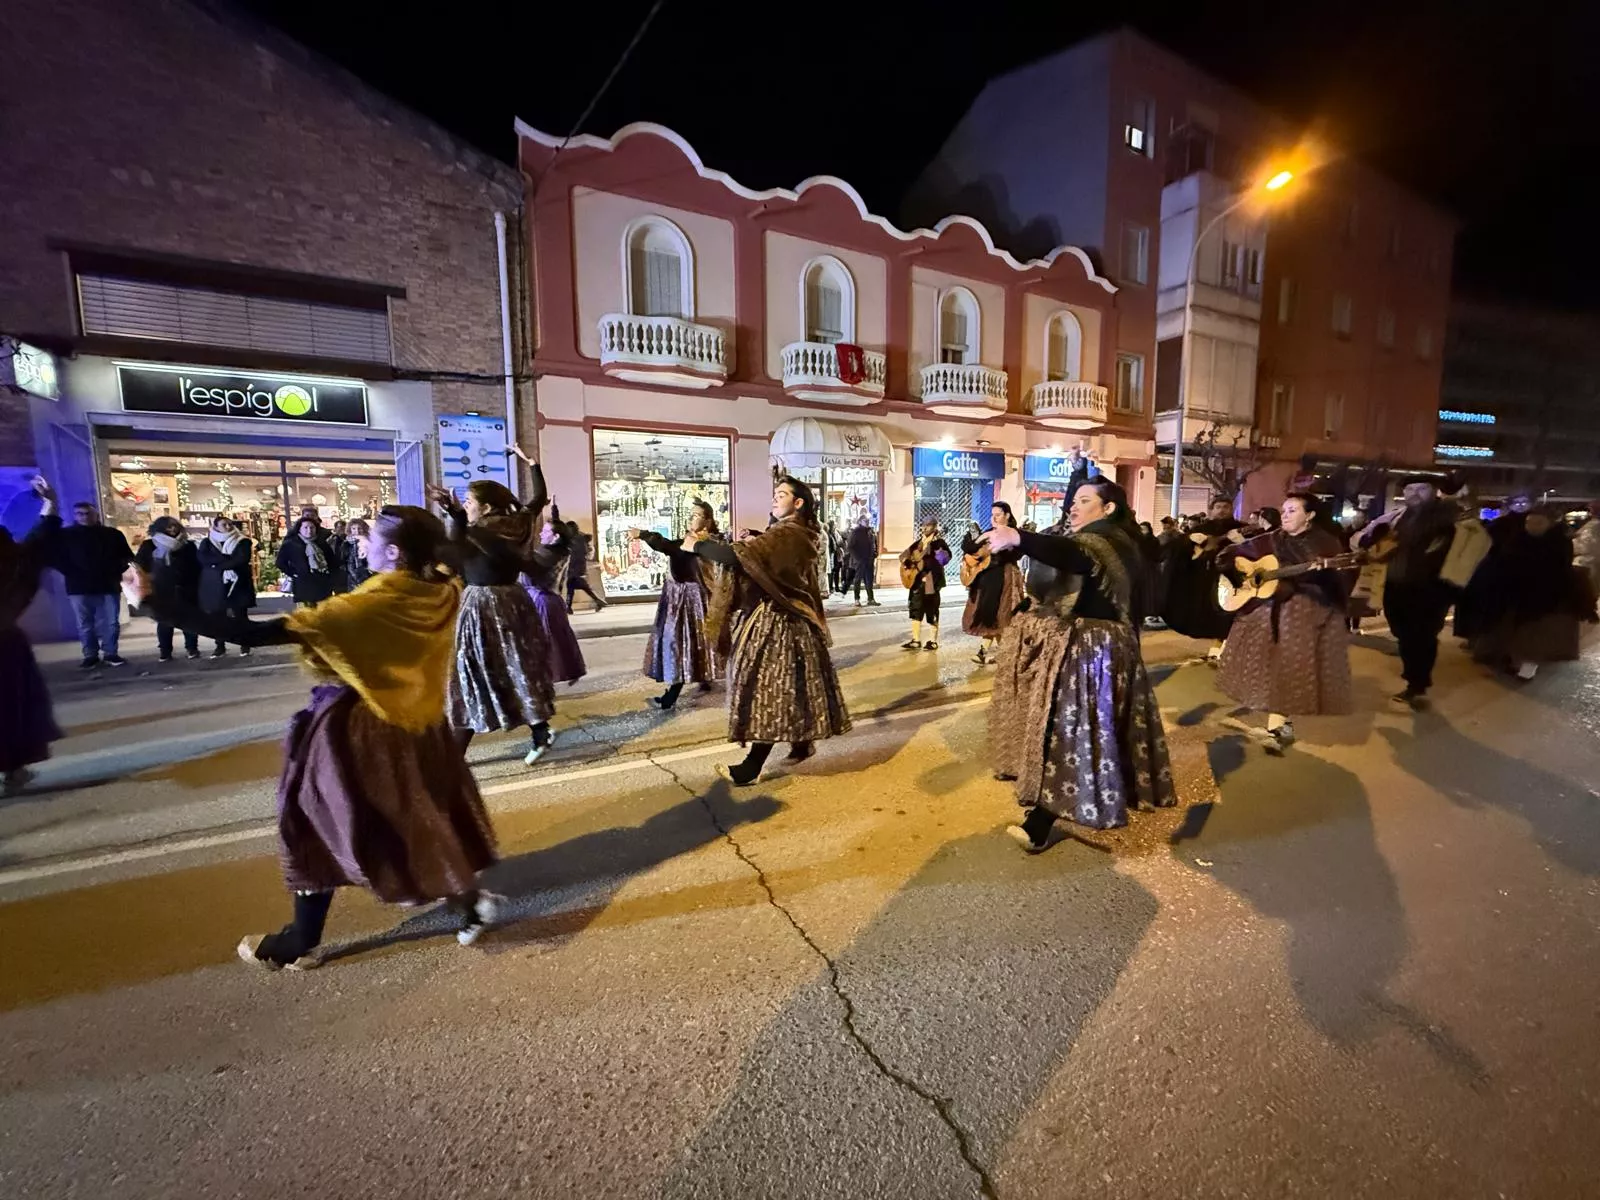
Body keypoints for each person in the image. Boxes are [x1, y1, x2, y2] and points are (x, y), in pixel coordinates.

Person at [141, 505, 500, 969]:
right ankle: (468, 905)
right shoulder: (441, 591)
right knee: (423, 817)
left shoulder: (366, 606)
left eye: (370, 536)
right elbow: (452, 560)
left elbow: (247, 630)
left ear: (392, 552)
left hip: (361, 727)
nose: (361, 541)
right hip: (421, 725)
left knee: (311, 820)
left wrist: (153, 603)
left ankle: (301, 940)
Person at [985, 478, 1175, 849]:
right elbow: (1060, 553)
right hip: (1084, 647)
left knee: (1068, 729)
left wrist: (1019, 537)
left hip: (1095, 651)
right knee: (1084, 730)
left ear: (1108, 509)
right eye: (1073, 500)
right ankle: (1073, 801)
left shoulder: (1112, 543)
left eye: (1084, 501)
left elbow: (1073, 557)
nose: (1073, 506)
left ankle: (1041, 821)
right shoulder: (1087, 537)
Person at [686, 476, 850, 786]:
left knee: (767, 690)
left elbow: (736, 556)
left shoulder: (789, 535)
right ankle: (801, 743)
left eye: (782, 495)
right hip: (783, 620)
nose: (774, 499)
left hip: (780, 623)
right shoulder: (790, 533)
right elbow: (766, 555)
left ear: (798, 503)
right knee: (793, 687)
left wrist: (698, 545)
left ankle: (752, 766)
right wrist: (756, 539)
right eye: (774, 494)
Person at [428, 447, 557, 766]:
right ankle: (540, 730)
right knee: (517, 666)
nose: (467, 506)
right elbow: (539, 498)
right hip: (514, 600)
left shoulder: (476, 533)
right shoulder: (519, 522)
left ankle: (456, 751)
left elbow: (451, 552)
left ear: (484, 507)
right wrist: (533, 464)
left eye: (470, 502)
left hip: (483, 606)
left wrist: (452, 515)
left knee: (472, 670)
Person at [1215, 493, 1353, 753]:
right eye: (1284, 510)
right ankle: (1276, 722)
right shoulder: (1273, 537)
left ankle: (1279, 726)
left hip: (1302, 611)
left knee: (1287, 668)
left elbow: (1337, 583)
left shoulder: (1324, 543)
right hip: (1266, 610)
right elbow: (1227, 556)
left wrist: (1300, 581)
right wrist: (1237, 567)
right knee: (1264, 665)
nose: (1285, 515)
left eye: (1292, 510)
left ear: (1310, 515)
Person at [1354, 476, 1459, 709]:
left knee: (1423, 635)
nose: (1415, 493)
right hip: (1396, 585)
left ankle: (1418, 685)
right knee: (1402, 632)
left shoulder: (1445, 517)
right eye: (1410, 489)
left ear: (1434, 492)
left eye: (1422, 488)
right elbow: (1379, 542)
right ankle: (1414, 676)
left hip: (1429, 589)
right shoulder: (1401, 517)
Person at [1467, 504, 1588, 679]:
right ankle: (1512, 661)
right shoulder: (1519, 539)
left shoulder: (1558, 542)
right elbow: (1505, 561)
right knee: (1512, 631)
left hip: (1544, 597)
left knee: (1534, 635)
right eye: (1529, 522)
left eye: (1538, 522)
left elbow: (1559, 570)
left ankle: (1527, 668)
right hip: (1515, 594)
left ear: (1549, 523)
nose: (1532, 526)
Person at [630, 498, 722, 710]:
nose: (691, 518)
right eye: (690, 514)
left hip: (692, 600)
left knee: (680, 643)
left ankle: (673, 693)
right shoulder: (693, 541)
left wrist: (644, 535)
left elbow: (668, 547)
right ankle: (702, 678)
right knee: (690, 642)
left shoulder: (705, 544)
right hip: (680, 598)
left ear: (707, 521)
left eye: (697, 515)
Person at [3, 479, 65, 793]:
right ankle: (13, 770)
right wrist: (49, 503)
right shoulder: (13, 560)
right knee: (12, 707)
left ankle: (14, 769)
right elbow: (39, 541)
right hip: (5, 644)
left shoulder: (12, 559)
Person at [40, 497, 133, 668]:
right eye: (79, 514)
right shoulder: (66, 536)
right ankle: (90, 655)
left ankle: (111, 653)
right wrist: (70, 572)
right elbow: (55, 557)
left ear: (96, 514)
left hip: (108, 583)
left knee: (112, 622)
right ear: (75, 515)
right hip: (79, 585)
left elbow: (127, 556)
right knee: (85, 623)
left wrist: (116, 571)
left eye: (88, 513)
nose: (84, 517)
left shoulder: (112, 535)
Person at [519, 488, 586, 688]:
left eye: (545, 531)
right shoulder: (558, 548)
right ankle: (565, 672)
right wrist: (553, 508)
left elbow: (526, 564)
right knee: (559, 639)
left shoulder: (548, 555)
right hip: (549, 600)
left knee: (546, 642)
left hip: (543, 601)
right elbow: (558, 529)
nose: (541, 532)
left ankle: (544, 677)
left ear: (555, 537)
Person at [961, 501, 1024, 665]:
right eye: (992, 515)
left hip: (1004, 579)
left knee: (1001, 616)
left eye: (998, 514)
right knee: (991, 615)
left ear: (1007, 515)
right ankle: (996, 653)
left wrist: (994, 552)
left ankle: (1001, 654)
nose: (994, 518)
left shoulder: (1013, 533)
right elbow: (971, 548)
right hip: (988, 579)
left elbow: (1014, 554)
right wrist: (973, 538)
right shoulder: (989, 532)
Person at [133, 516, 201, 662]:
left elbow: (196, 567)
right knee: (164, 622)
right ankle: (165, 651)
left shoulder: (188, 545)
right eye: (168, 527)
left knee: (189, 620)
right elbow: (139, 565)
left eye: (175, 526)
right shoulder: (149, 545)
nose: (172, 529)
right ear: (159, 528)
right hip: (161, 589)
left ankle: (192, 648)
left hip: (185, 587)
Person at [197, 516, 257, 658]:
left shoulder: (242, 541)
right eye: (224, 524)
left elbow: (241, 559)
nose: (229, 527)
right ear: (216, 526)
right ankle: (220, 646)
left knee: (240, 616)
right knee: (218, 617)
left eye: (230, 524)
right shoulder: (207, 542)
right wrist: (227, 560)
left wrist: (218, 565)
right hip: (216, 584)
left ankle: (245, 644)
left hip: (238, 583)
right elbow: (203, 559)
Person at [899, 518, 952, 650]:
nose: (924, 528)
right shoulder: (918, 544)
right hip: (917, 581)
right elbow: (903, 556)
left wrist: (939, 553)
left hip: (930, 581)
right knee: (916, 609)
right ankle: (916, 640)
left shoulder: (938, 543)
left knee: (932, 609)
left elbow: (945, 559)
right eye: (923, 525)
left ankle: (932, 641)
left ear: (934, 527)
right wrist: (907, 563)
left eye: (928, 526)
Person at [276, 517, 337, 608]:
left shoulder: (321, 543)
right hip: (303, 583)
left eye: (312, 528)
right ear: (299, 529)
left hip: (321, 583)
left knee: (324, 612)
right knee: (306, 614)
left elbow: (331, 561)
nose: (309, 530)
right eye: (305, 527)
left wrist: (330, 576)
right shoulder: (291, 543)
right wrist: (294, 573)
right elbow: (280, 562)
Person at [564, 519, 607, 613]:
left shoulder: (575, 539)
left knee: (573, 584)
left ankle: (569, 607)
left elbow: (576, 553)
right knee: (574, 585)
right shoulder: (579, 537)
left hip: (575, 565)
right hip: (577, 565)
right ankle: (569, 607)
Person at [847, 516, 880, 606]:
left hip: (869, 560)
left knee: (869, 580)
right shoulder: (856, 532)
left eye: (868, 520)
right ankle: (857, 599)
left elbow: (874, 543)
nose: (867, 522)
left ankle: (871, 599)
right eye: (865, 520)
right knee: (858, 580)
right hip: (860, 560)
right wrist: (857, 558)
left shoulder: (870, 532)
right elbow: (850, 546)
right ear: (860, 521)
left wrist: (875, 553)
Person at [335, 518, 372, 594]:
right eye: (354, 528)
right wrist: (355, 576)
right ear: (350, 530)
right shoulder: (346, 543)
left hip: (368, 576)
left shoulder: (370, 542)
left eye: (359, 528)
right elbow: (344, 561)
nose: (357, 531)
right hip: (352, 577)